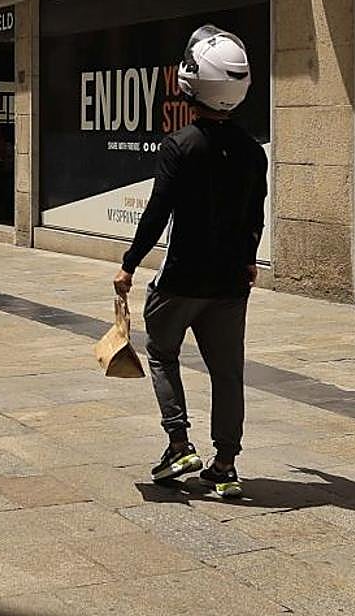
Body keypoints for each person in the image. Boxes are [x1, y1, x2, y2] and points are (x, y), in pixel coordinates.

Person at [113, 25, 268, 500]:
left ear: (192, 83)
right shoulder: (251, 151)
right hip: (229, 285)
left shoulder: (180, 145)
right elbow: (255, 216)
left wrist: (129, 264)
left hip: (180, 278)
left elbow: (157, 214)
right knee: (228, 373)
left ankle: (179, 442)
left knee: (161, 353)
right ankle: (225, 464)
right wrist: (247, 260)